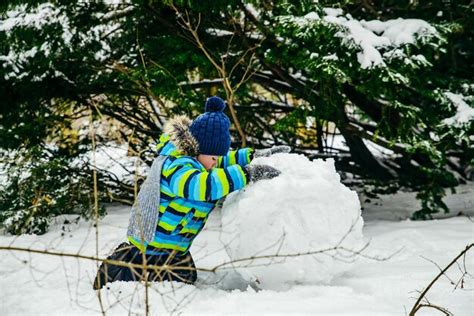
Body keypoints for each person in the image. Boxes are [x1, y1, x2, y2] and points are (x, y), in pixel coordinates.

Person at [94, 96, 289, 289]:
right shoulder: (176, 166)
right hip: (151, 249)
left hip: (174, 250)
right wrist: (247, 173)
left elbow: (222, 160)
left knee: (184, 279)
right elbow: (202, 187)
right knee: (145, 285)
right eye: (213, 157)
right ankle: (118, 273)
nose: (215, 163)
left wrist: (252, 156)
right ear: (198, 150)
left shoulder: (201, 159)